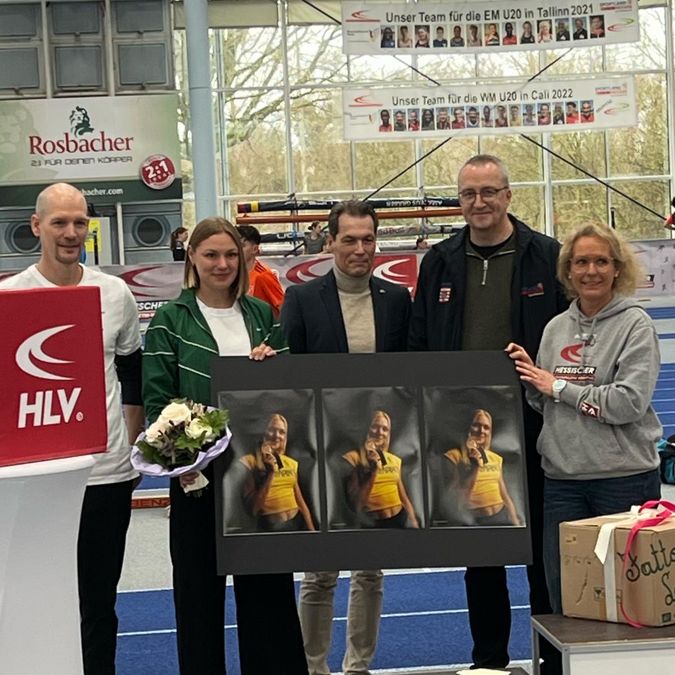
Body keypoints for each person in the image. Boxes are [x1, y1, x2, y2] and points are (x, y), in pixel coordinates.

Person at [409, 155, 567, 673]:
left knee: (542, 553)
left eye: (489, 192)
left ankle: (551, 659)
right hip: (464, 428)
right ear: (459, 200)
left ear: (508, 195)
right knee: (481, 554)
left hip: (535, 422)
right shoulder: (439, 261)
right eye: (469, 194)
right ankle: (489, 661)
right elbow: (419, 341)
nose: (479, 202)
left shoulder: (546, 255)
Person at [143, 217, 308, 675]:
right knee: (198, 599)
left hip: (260, 476)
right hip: (197, 481)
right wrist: (190, 451)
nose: (222, 264)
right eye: (211, 254)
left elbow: (288, 392)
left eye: (231, 254)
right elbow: (157, 404)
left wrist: (272, 367)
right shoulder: (170, 321)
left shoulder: (262, 315)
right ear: (192, 258)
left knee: (269, 599)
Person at [0, 182, 144, 675]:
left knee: (98, 604)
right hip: (34, 480)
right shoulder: (9, 298)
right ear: (36, 226)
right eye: (59, 222)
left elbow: (132, 371)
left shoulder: (114, 293)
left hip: (105, 476)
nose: (71, 233)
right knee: (34, 599)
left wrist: (128, 444)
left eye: (80, 222)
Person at [282, 199, 411, 675]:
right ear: (331, 242)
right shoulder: (302, 299)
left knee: (370, 571)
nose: (360, 249)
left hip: (377, 453)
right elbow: (289, 377)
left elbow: (408, 377)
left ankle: (359, 667)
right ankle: (312, 667)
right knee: (319, 573)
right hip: (322, 451)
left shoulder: (396, 299)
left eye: (368, 239)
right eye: (350, 240)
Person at [507, 223, 662, 615]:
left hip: (623, 481)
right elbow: (546, 404)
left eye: (601, 261)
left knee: (631, 604)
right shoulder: (555, 329)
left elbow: (627, 404)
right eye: (581, 262)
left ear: (617, 268)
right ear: (568, 271)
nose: (591, 271)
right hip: (563, 485)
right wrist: (530, 379)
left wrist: (559, 387)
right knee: (568, 602)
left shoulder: (635, 326)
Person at [343, 410, 420, 528]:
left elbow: (403, 497)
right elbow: (357, 505)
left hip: (400, 520)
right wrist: (373, 470)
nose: (380, 432)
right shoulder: (353, 458)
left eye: (385, 429)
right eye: (375, 427)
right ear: (366, 428)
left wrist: (414, 522)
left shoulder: (393, 459)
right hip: (374, 525)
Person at [240, 413, 315, 531]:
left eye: (282, 432)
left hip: (297, 524)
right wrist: (270, 474)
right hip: (272, 529)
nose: (277, 435)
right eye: (272, 430)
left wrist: (312, 531)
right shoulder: (249, 461)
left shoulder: (290, 463)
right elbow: (253, 509)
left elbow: (300, 502)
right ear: (263, 431)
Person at [444, 409, 520, 526]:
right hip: (475, 520)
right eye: (476, 425)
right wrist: (474, 466)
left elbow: (504, 494)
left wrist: (515, 521)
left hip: (501, 516)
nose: (481, 431)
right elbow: (457, 500)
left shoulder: (495, 458)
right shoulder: (454, 456)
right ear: (467, 427)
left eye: (486, 427)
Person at [236, 224, 285, 317]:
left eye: (241, 246)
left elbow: (283, 308)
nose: (236, 250)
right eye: (235, 245)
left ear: (254, 249)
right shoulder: (233, 275)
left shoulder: (263, 275)